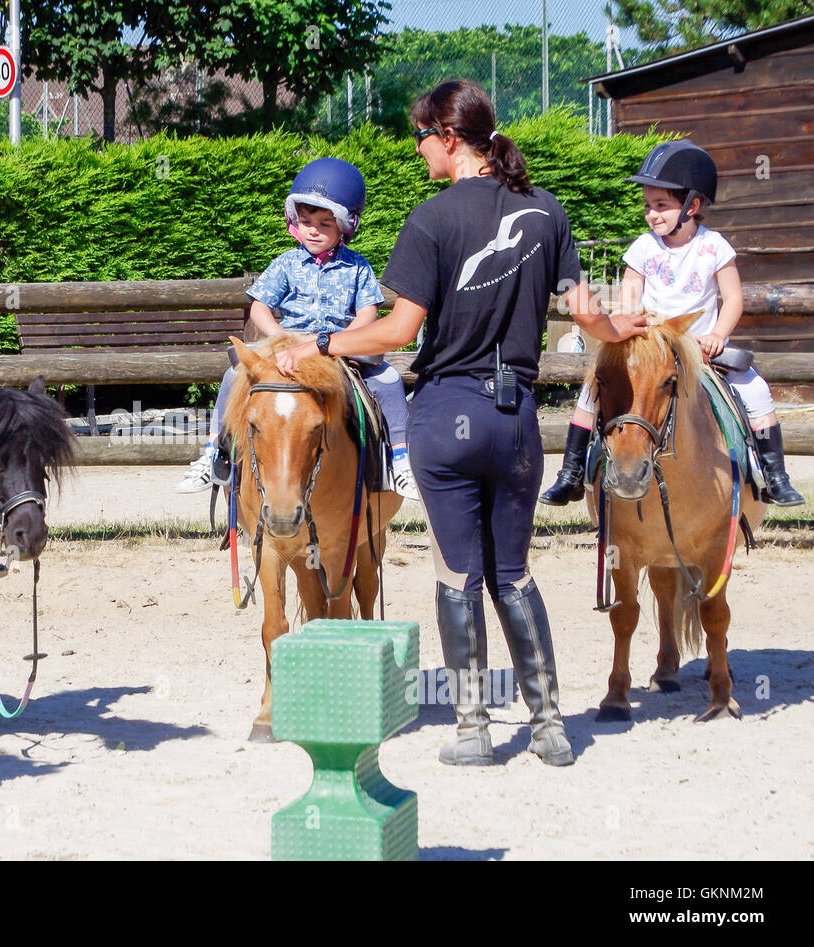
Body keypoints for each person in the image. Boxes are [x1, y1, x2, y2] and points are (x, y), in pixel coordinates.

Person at [277, 81, 649, 767]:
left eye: (420, 136)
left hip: (448, 411)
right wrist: (618, 325)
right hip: (516, 422)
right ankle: (548, 726)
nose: (417, 150)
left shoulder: (431, 219)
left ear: (449, 138)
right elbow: (585, 313)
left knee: (458, 575)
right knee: (513, 573)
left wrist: (320, 344)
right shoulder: (546, 211)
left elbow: (398, 331)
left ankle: (475, 728)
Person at [540, 141, 805, 507]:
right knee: (590, 394)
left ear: (692, 206)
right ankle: (570, 475)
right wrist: (631, 329)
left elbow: (733, 299)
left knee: (756, 389)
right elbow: (630, 296)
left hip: (701, 349)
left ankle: (774, 477)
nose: (651, 214)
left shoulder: (714, 247)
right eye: (648, 206)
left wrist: (717, 335)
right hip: (652, 348)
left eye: (661, 206)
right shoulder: (644, 248)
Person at [176, 157, 419, 501]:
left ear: (345, 226)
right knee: (234, 376)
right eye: (306, 222)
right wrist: (275, 335)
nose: (313, 230)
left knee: (388, 380)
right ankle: (216, 451)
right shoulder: (286, 263)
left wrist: (345, 340)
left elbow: (367, 311)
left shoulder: (358, 266)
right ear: (295, 223)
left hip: (337, 347)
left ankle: (399, 458)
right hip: (287, 345)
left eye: (324, 223)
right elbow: (259, 305)